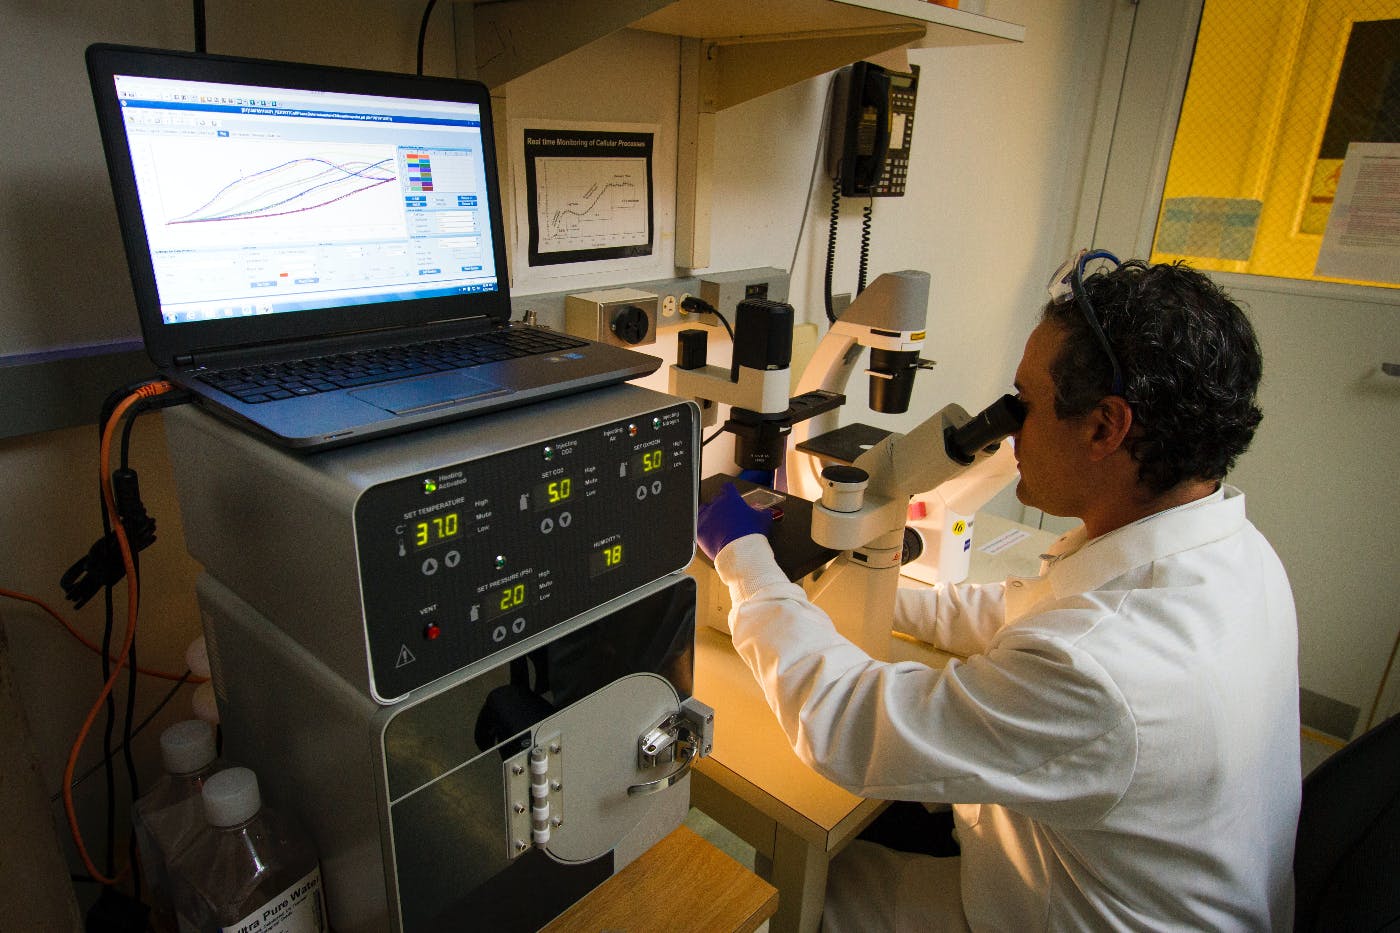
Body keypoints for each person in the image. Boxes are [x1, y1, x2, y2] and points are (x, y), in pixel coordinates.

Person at [696, 255, 1300, 931]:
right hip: (1140, 884)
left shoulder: (1101, 670)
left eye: (1024, 403)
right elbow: (1027, 610)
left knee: (806, 895)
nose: (1006, 426)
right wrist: (855, 592)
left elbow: (847, 723)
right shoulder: (1232, 549)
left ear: (1105, 426)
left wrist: (744, 557)